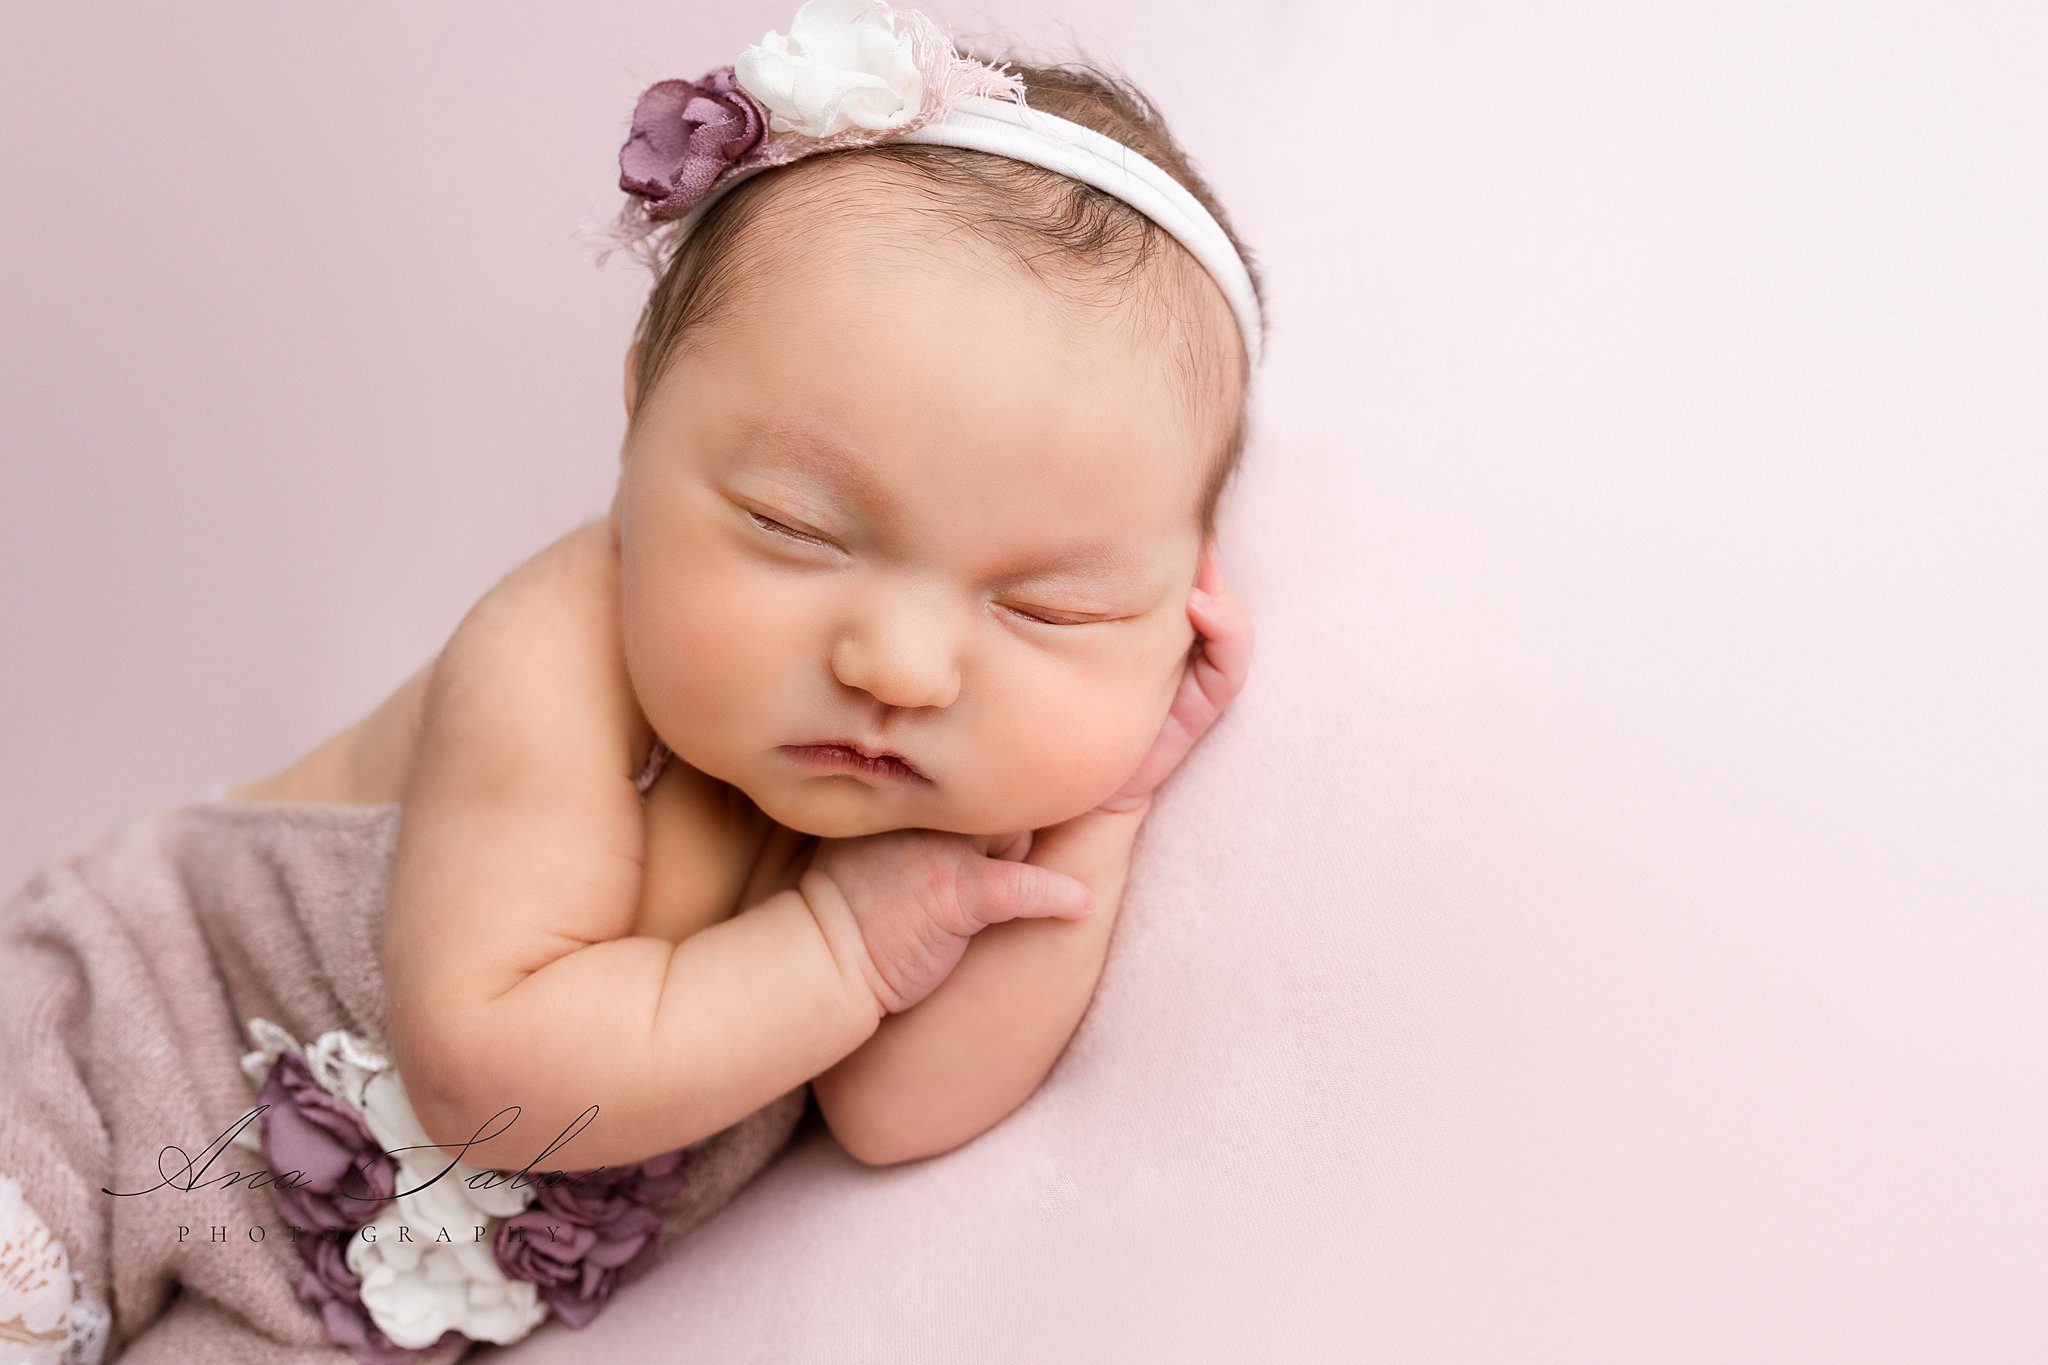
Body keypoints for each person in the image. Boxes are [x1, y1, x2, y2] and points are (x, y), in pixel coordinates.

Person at [0, 2, 1263, 1359]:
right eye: (793, 526)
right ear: (640, 412)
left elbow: (902, 1110)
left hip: (322, 1301)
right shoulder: (564, 650)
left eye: (1047, 606)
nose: (897, 664)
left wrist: (1098, 815)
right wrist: (840, 945)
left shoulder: (944, 779)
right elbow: (494, 1070)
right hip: (122, 1053)